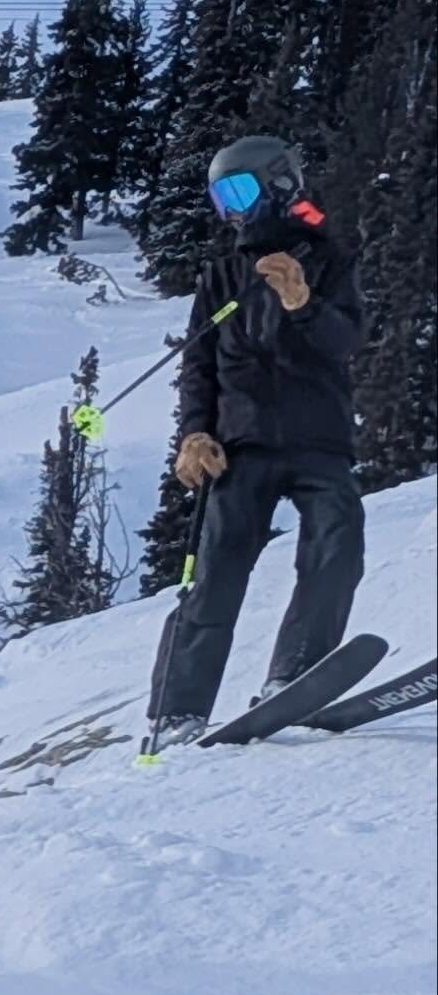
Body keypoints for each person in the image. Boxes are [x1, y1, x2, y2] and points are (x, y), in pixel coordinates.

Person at [147, 135, 367, 749]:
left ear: (278, 185)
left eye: (241, 191)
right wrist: (194, 433)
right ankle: (176, 712)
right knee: (215, 568)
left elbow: (346, 341)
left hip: (319, 441)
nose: (234, 211)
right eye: (221, 199)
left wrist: (302, 301)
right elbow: (199, 368)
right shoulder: (221, 278)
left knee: (337, 543)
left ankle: (295, 676)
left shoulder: (329, 263)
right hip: (241, 446)